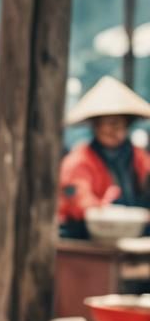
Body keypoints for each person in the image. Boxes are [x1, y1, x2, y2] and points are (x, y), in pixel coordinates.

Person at [58, 75, 150, 237]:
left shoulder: (136, 155)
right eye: (109, 123)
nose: (114, 130)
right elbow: (79, 203)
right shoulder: (79, 161)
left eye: (120, 124)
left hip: (132, 231)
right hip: (87, 234)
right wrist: (104, 208)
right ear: (96, 125)